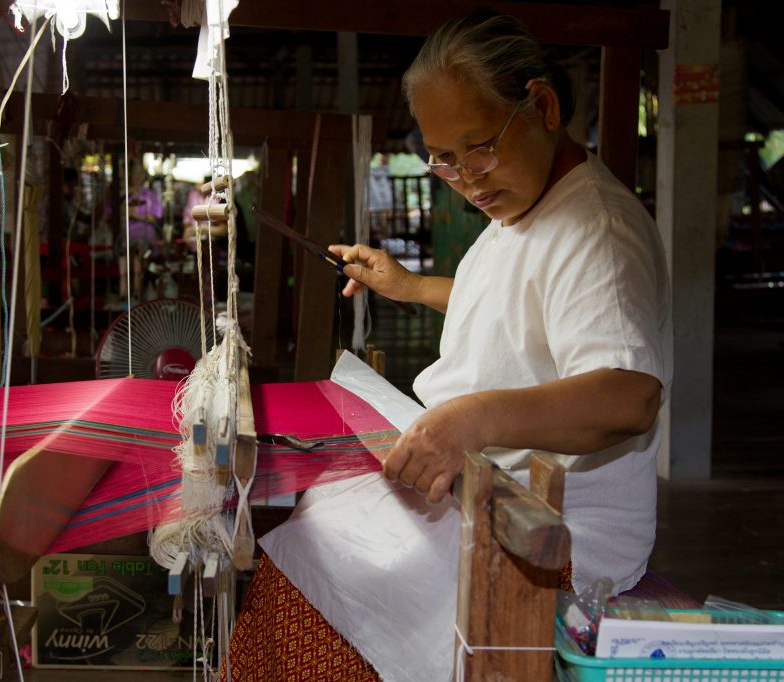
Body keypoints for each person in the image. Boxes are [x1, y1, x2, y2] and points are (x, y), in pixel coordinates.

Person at [223, 10, 672, 682]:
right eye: (443, 157)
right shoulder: (522, 208)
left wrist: (472, 418)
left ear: (542, 106)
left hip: (560, 526)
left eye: (479, 146)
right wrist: (406, 286)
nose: (466, 175)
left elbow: (629, 396)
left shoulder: (595, 230)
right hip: (488, 484)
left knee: (336, 557)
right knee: (323, 517)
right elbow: (509, 304)